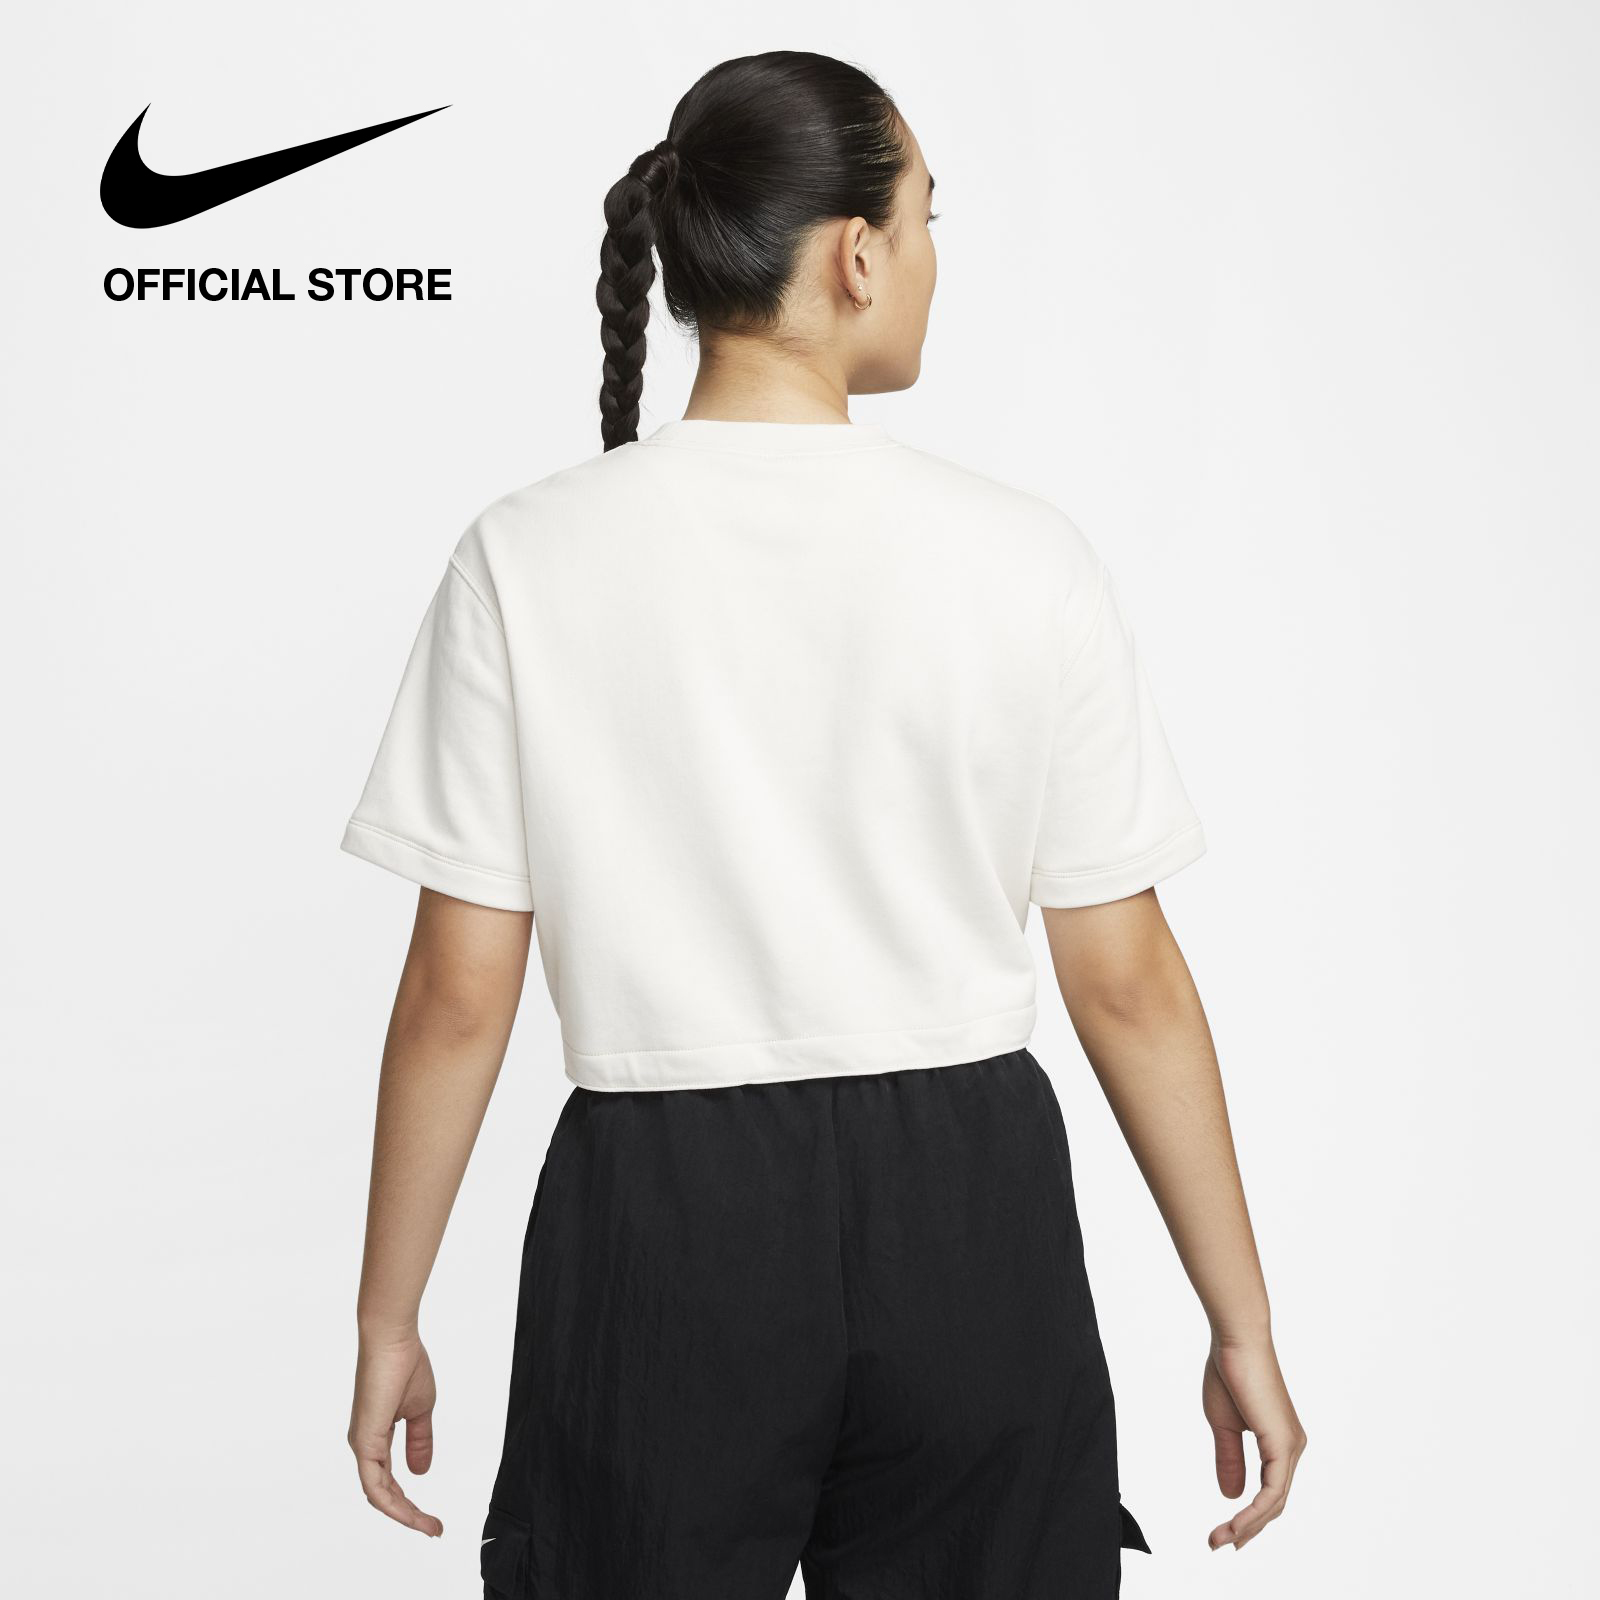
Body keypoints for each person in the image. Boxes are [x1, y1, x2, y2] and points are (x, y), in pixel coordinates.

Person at [340, 48, 1306, 1600]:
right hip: (972, 1211)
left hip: (661, 1214)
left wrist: (388, 1317)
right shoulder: (1024, 557)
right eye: (926, 218)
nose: (929, 258)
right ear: (859, 253)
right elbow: (1126, 984)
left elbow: (460, 993)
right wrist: (1239, 1321)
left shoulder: (525, 557)